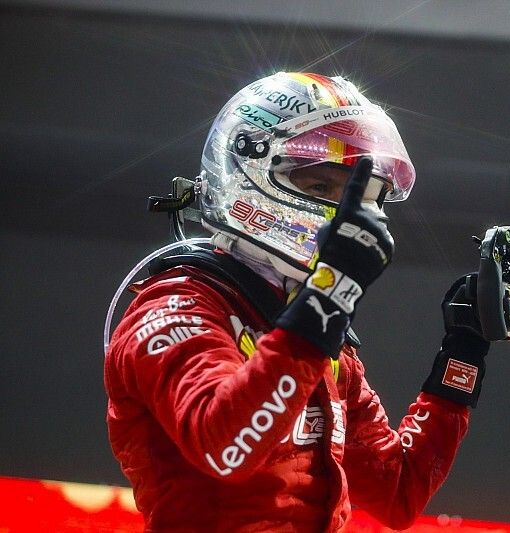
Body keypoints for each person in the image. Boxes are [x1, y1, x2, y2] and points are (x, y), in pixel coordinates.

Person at [104, 72, 490, 532]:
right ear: (248, 173)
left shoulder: (318, 329)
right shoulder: (175, 305)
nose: (346, 212)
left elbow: (396, 493)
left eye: (358, 195)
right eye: (323, 188)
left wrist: (463, 354)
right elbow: (225, 449)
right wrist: (326, 301)